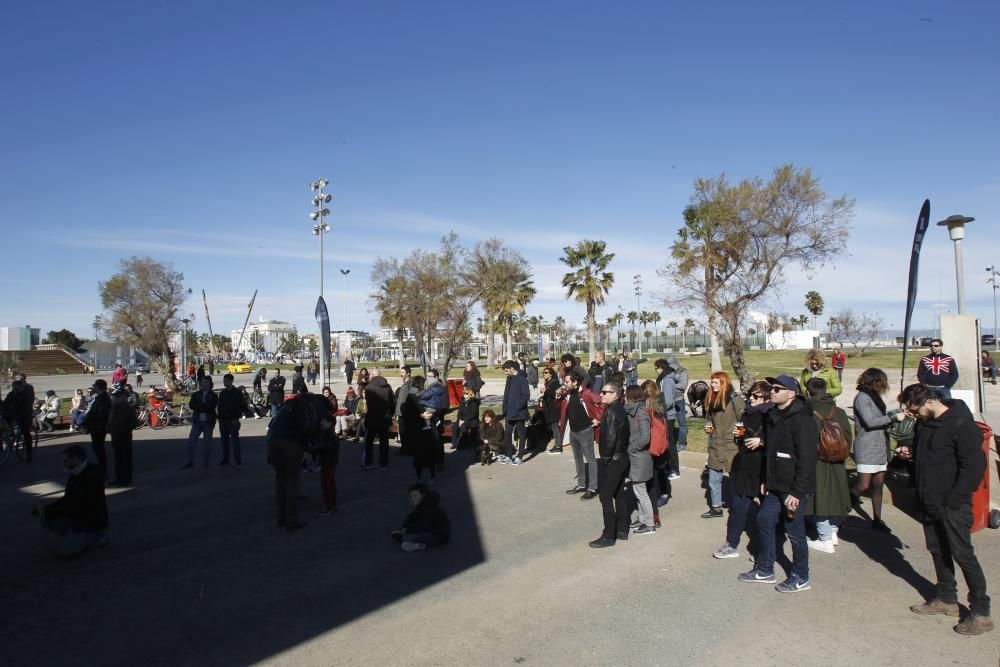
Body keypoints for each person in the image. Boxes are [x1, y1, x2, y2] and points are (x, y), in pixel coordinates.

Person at [897, 383, 992, 636]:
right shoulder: (925, 423)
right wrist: (910, 451)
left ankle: (981, 612)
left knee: (963, 554)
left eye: (913, 409)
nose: (912, 414)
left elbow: (974, 467)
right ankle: (946, 597)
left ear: (928, 402)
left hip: (953, 503)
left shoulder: (961, 425)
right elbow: (930, 454)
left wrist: (954, 499)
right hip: (928, 499)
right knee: (937, 550)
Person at [738, 375, 817, 593]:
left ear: (791, 393)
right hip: (774, 485)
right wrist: (766, 480)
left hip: (794, 489)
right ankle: (765, 569)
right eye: (772, 388)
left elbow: (807, 459)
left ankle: (801, 576)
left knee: (794, 532)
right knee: (764, 520)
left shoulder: (802, 420)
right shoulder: (774, 415)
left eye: (778, 389)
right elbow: (772, 453)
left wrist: (798, 492)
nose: (772, 391)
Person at [713, 381, 770, 560]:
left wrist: (761, 442)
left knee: (767, 513)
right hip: (744, 467)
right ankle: (731, 544)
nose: (751, 399)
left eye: (756, 396)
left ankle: (765, 549)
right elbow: (738, 431)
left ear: (767, 398)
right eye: (750, 396)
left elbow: (779, 441)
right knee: (738, 508)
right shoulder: (746, 412)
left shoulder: (771, 416)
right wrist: (738, 433)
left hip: (762, 469)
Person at [267, 394, 334, 532]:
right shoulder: (309, 407)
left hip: (273, 440)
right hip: (290, 443)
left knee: (280, 478)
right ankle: (291, 520)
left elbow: (272, 423)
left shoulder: (288, 406)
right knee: (292, 479)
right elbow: (307, 427)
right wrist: (306, 447)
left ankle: (281, 516)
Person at [804, 377, 853, 553]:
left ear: (808, 392)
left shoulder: (808, 411)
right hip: (837, 460)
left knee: (819, 500)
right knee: (836, 496)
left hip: (816, 461)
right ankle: (832, 531)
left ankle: (825, 538)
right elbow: (848, 436)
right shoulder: (838, 411)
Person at [34, 445, 110, 558]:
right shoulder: (76, 472)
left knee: (65, 553)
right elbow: (68, 499)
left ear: (76, 459)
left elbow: (77, 503)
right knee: (45, 519)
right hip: (79, 517)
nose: (64, 463)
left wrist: (49, 511)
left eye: (66, 460)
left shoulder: (93, 474)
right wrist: (46, 509)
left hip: (91, 521)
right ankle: (77, 536)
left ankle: (95, 536)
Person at [852, 367, 900, 532]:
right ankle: (840, 511)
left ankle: (877, 519)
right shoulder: (862, 398)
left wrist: (895, 415)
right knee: (863, 485)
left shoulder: (874, 396)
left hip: (879, 445)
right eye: (881, 382)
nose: (883, 386)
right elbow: (870, 421)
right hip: (866, 446)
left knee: (878, 483)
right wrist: (892, 417)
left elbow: (880, 419)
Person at [589, 382, 630, 548]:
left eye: (606, 392)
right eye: (602, 391)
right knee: (619, 494)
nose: (602, 394)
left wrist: (605, 459)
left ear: (616, 395)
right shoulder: (618, 409)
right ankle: (622, 529)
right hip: (621, 458)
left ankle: (609, 535)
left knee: (605, 496)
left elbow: (610, 439)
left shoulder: (612, 411)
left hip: (614, 459)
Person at [703, 372, 744, 519]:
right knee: (713, 480)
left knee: (735, 478)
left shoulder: (735, 399)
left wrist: (740, 431)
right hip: (715, 444)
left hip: (731, 445)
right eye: (712, 382)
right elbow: (709, 418)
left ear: (723, 383)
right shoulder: (710, 397)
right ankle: (716, 508)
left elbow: (743, 418)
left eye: (716, 383)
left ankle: (737, 507)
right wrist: (708, 427)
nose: (712, 385)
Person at [561, 371, 603, 498]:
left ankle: (593, 487)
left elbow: (602, 403)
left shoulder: (586, 393)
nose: (565, 384)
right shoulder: (568, 393)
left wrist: (598, 419)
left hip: (585, 431)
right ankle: (581, 484)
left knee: (590, 460)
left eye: (567, 382)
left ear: (575, 382)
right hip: (573, 432)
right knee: (578, 459)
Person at [624, 385, 654, 535]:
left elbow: (645, 438)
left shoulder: (641, 413)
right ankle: (642, 519)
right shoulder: (633, 411)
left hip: (639, 457)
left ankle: (649, 523)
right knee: (638, 491)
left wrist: (631, 448)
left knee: (641, 492)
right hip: (635, 456)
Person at [391, 483, 451, 552]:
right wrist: (405, 526)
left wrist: (407, 529)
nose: (412, 499)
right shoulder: (422, 503)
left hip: (439, 536)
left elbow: (422, 525)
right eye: (411, 496)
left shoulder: (430, 508)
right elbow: (411, 516)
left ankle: (411, 542)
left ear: (423, 495)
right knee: (410, 528)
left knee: (411, 537)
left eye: (415, 496)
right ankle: (412, 541)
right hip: (430, 529)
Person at [654, 359, 680, 483]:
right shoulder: (664, 379)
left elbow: (668, 401)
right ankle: (666, 466)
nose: (656, 371)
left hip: (668, 416)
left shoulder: (667, 381)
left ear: (660, 368)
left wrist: (659, 409)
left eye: (656, 368)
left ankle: (675, 469)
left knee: (670, 444)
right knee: (664, 442)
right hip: (664, 414)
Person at [182, 376, 218, 469]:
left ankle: (206, 462)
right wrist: (202, 406)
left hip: (208, 421)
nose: (204, 384)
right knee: (191, 442)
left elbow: (211, 407)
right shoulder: (196, 394)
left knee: (207, 442)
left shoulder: (213, 395)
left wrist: (201, 406)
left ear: (210, 384)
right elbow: (192, 405)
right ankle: (189, 461)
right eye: (203, 382)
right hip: (197, 421)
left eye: (206, 382)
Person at [362, 369, 394, 471]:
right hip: (384, 418)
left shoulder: (368, 387)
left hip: (372, 418)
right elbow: (393, 402)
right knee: (384, 442)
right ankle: (383, 464)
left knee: (369, 441)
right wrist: (390, 414)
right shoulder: (387, 387)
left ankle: (368, 462)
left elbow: (368, 404)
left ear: (372, 375)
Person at [500, 360, 530, 465]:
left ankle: (520, 456)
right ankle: (509, 455)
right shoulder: (509, 379)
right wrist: (505, 409)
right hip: (509, 412)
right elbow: (506, 395)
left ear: (512, 369)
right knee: (507, 433)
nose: (506, 373)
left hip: (519, 413)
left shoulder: (522, 379)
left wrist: (517, 406)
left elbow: (526, 395)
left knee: (521, 434)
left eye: (507, 371)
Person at [106, 382, 135, 485]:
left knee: (125, 458)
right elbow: (110, 420)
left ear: (123, 397)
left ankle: (126, 479)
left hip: (124, 435)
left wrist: (125, 428)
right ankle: (119, 477)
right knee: (117, 458)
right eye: (113, 396)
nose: (114, 399)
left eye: (117, 396)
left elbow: (133, 423)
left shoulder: (126, 408)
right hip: (115, 434)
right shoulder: (113, 408)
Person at [84, 379, 111, 475]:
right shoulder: (101, 397)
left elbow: (101, 414)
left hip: (98, 427)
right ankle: (102, 469)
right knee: (97, 449)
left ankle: (103, 471)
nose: (93, 387)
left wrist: (89, 419)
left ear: (98, 387)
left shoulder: (103, 398)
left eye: (94, 386)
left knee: (99, 449)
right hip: (97, 427)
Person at [217, 374, 243, 467]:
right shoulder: (223, 393)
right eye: (224, 381)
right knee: (224, 441)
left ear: (231, 381)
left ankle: (238, 460)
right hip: (223, 420)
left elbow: (240, 406)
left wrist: (236, 418)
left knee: (235, 440)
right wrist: (219, 418)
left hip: (233, 420)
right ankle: (225, 459)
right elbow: (219, 406)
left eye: (227, 381)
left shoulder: (237, 392)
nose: (225, 382)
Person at [665, 355, 689, 451]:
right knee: (668, 421)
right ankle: (668, 441)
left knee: (682, 422)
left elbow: (683, 385)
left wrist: (671, 384)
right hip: (668, 399)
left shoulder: (683, 371)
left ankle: (682, 443)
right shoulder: (667, 371)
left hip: (679, 400)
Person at [540, 367, 563, 454]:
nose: (544, 374)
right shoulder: (548, 383)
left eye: (546, 372)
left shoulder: (555, 382)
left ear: (551, 374)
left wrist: (546, 391)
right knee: (553, 427)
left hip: (553, 408)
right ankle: (556, 445)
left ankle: (558, 447)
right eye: (543, 372)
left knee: (555, 426)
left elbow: (556, 394)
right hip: (548, 408)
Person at [394, 366, 413, 450]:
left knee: (406, 431)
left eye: (402, 372)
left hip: (406, 412)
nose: (401, 374)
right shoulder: (405, 383)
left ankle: (407, 448)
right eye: (400, 372)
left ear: (408, 373)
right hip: (400, 412)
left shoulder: (410, 383)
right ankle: (404, 448)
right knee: (402, 432)